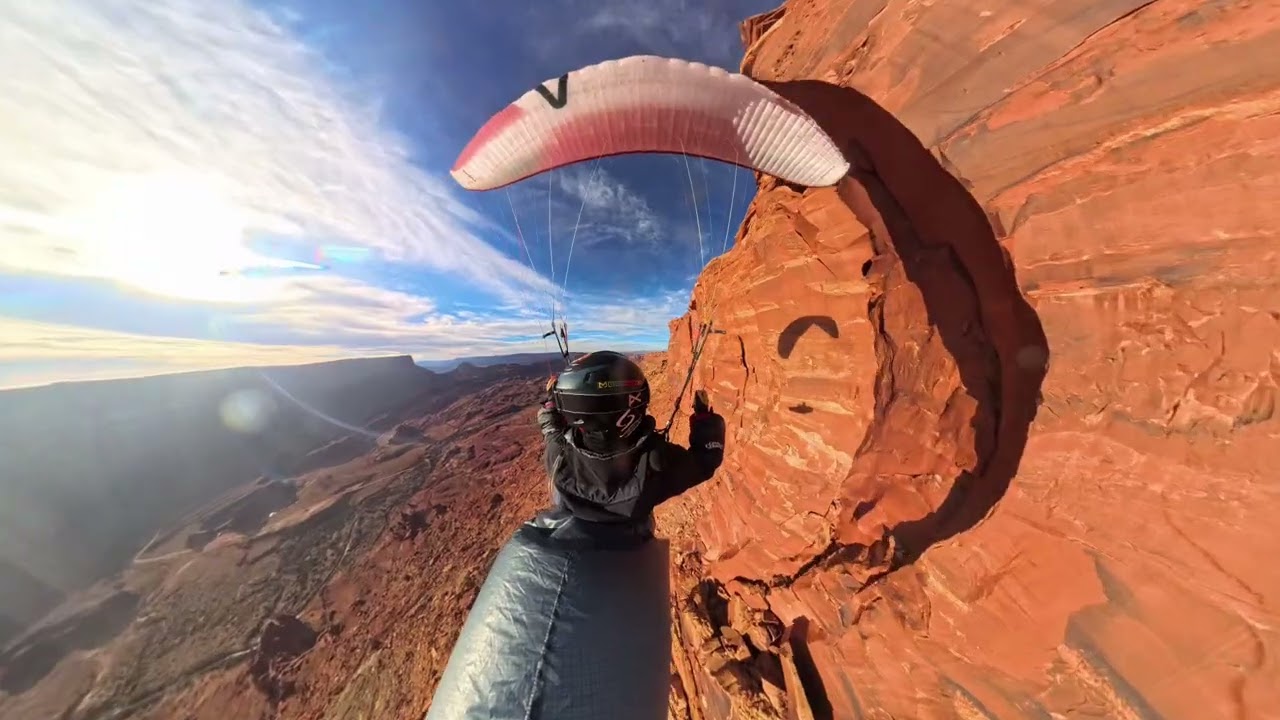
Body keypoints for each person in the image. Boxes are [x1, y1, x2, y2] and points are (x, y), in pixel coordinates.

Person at [535, 351, 726, 536]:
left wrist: (551, 404)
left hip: (575, 534)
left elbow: (550, 428)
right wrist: (704, 419)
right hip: (635, 540)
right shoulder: (656, 464)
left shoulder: (557, 457)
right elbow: (706, 460)